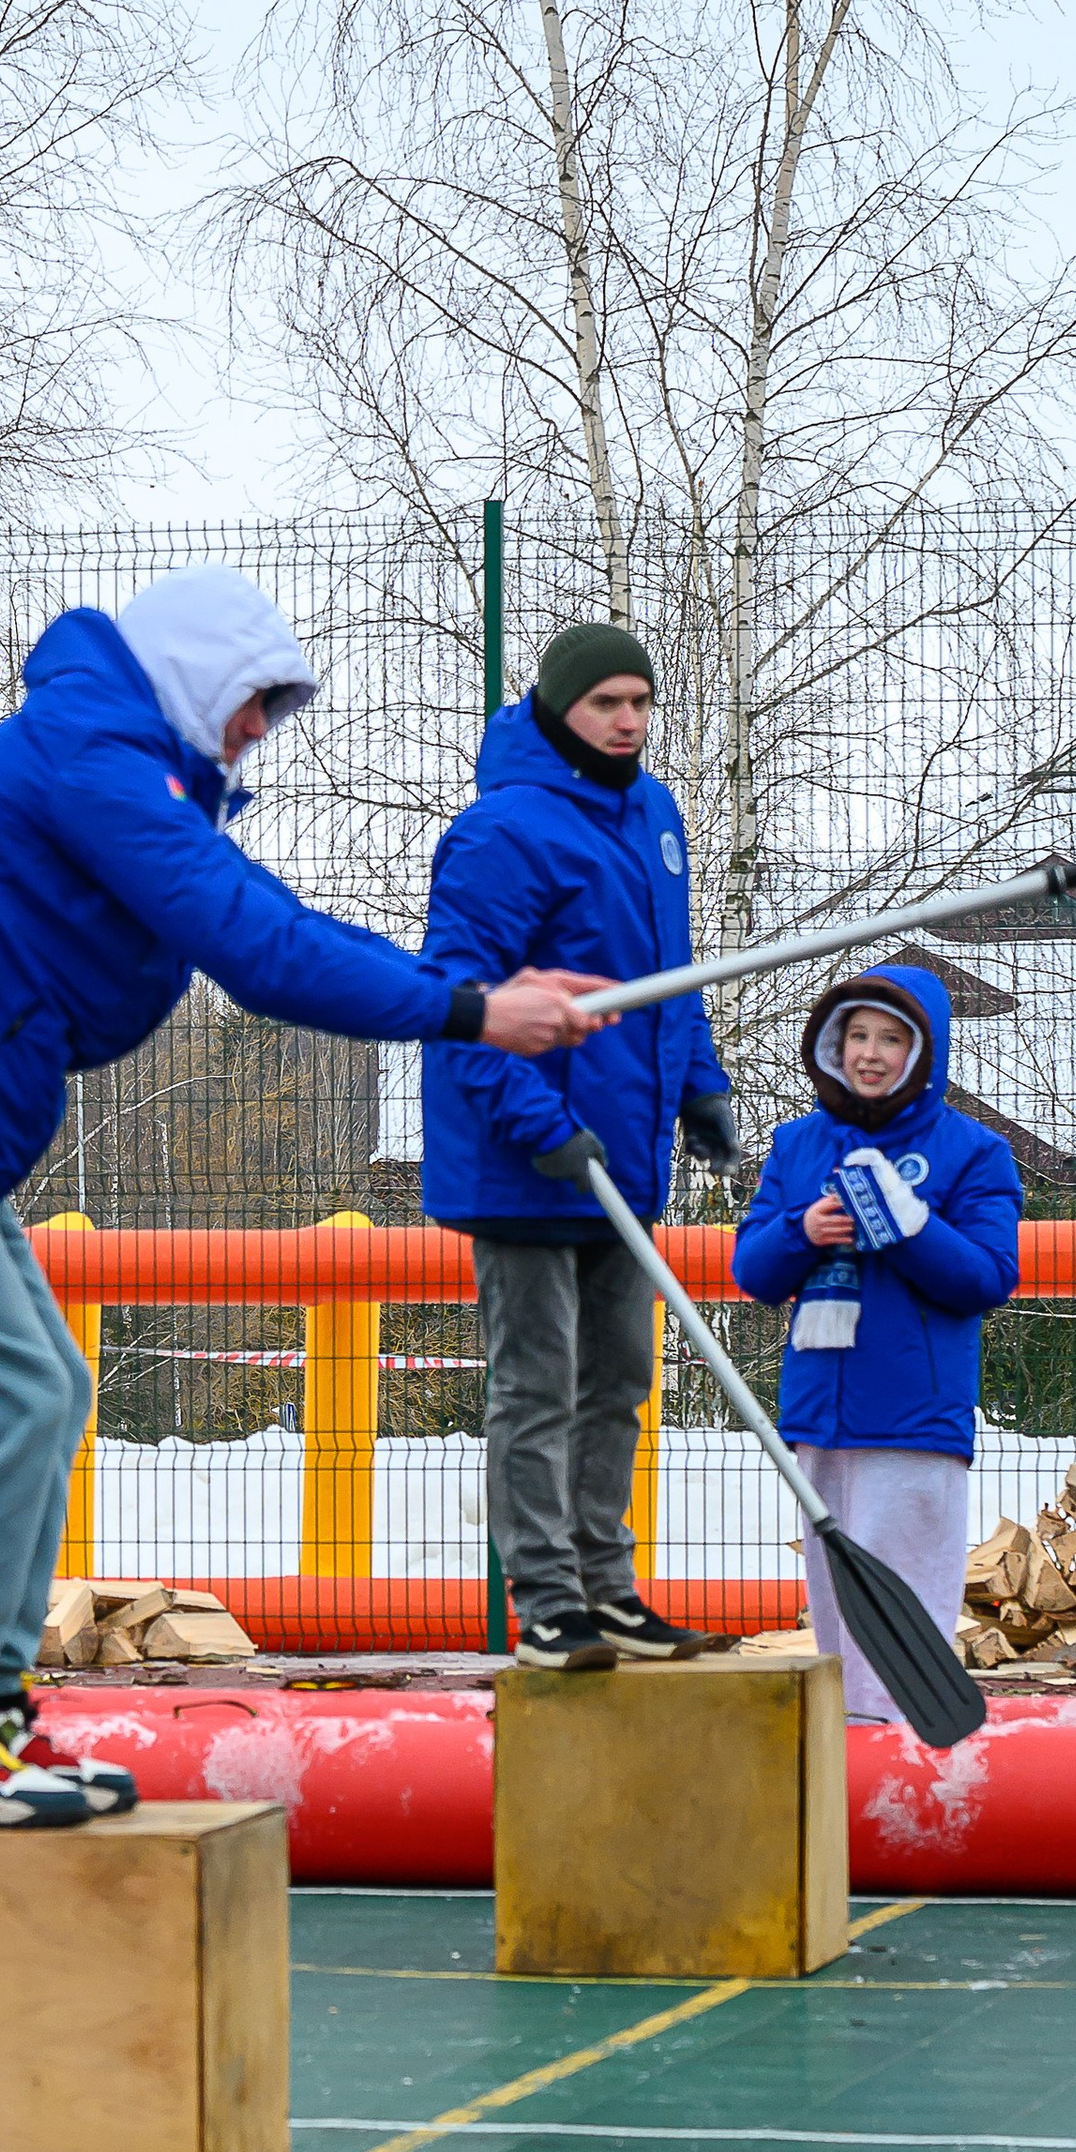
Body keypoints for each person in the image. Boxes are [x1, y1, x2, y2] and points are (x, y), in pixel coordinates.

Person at [0, 564, 603, 1825]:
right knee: (14, 1391)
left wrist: (461, 995)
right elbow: (255, 948)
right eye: (254, 702)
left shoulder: (125, 770)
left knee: (51, 1387)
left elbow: (266, 917)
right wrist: (471, 1008)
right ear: (193, 678)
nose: (261, 731)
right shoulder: (96, 758)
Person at [420, 622, 738, 1670]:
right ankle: (548, 1602)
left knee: (618, 1380)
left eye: (641, 702)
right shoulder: (500, 832)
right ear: (560, 707)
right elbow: (461, 1004)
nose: (629, 721)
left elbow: (666, 974)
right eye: (606, 702)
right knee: (536, 1382)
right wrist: (540, 1123)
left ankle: (608, 1589)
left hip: (626, 1152)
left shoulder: (652, 815)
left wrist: (698, 1084)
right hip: (529, 1161)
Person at [731, 965, 1020, 1720]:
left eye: (891, 1038)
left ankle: (905, 1759)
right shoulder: (797, 1145)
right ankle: (849, 1758)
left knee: (903, 1603)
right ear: (832, 1045)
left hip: (914, 1420)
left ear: (924, 1051)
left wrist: (907, 1226)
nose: (870, 1052)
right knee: (836, 1604)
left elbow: (986, 1277)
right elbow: (753, 1270)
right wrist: (803, 1232)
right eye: (856, 1034)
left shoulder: (973, 1152)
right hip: (818, 1418)